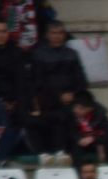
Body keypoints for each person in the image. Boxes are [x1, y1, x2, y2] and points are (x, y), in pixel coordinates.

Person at [28, 20, 87, 162]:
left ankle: (65, 152)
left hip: (71, 99)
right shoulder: (39, 55)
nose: (57, 36)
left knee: (72, 112)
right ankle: (51, 152)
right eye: (54, 33)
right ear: (47, 35)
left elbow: (81, 80)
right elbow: (38, 82)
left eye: (60, 33)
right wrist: (58, 96)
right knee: (55, 114)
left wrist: (72, 94)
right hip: (48, 100)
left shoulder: (72, 54)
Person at [66, 90, 108, 165]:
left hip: (96, 144)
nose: (76, 111)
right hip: (79, 145)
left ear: (90, 109)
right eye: (75, 107)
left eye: (81, 108)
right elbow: (70, 132)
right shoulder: (71, 116)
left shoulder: (100, 116)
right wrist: (79, 139)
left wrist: (93, 138)